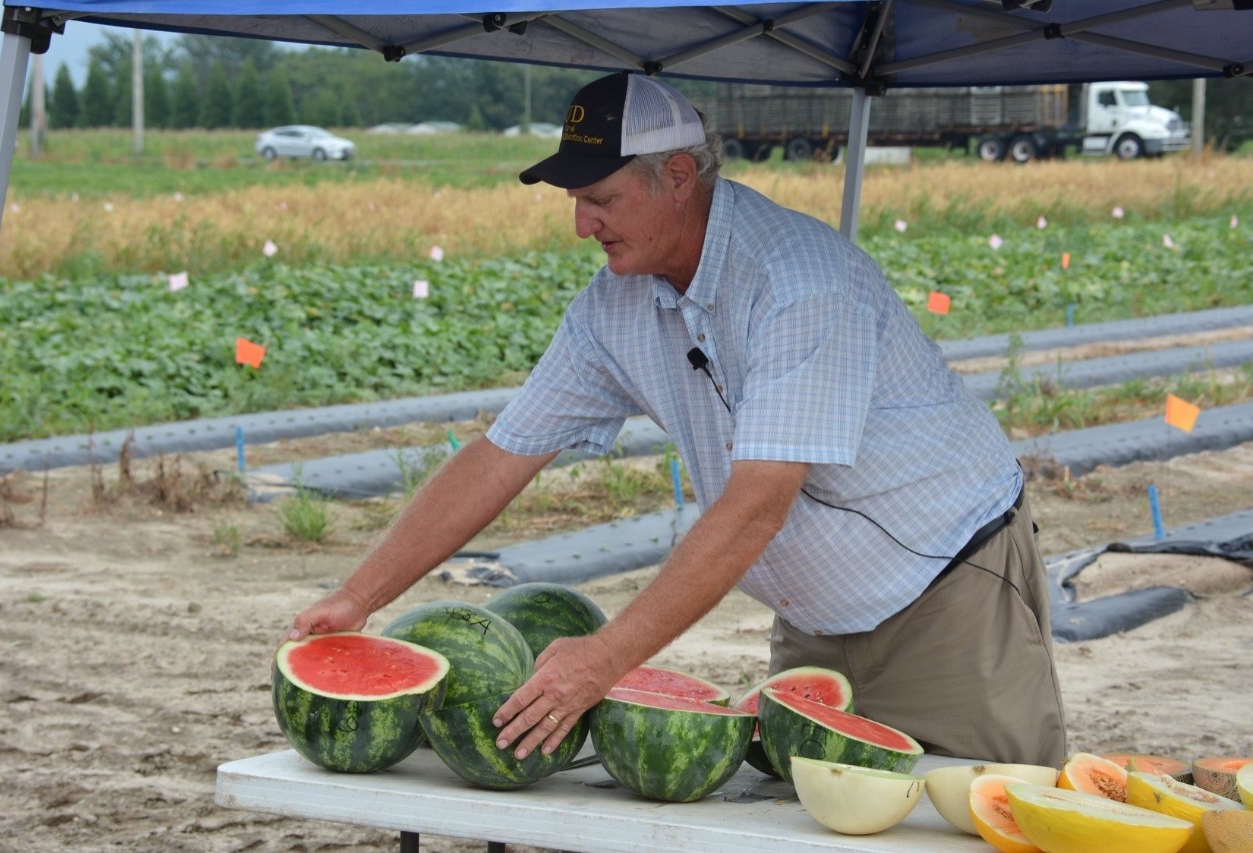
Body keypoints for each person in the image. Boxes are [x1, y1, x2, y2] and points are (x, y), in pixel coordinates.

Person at [286, 71, 1067, 767]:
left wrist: (606, 657)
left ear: (679, 176)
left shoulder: (798, 282)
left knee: (981, 817)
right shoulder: (610, 308)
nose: (582, 225)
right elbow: (501, 453)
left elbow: (759, 503)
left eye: (602, 199)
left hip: (948, 591)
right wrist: (359, 595)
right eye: (576, 201)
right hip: (813, 623)